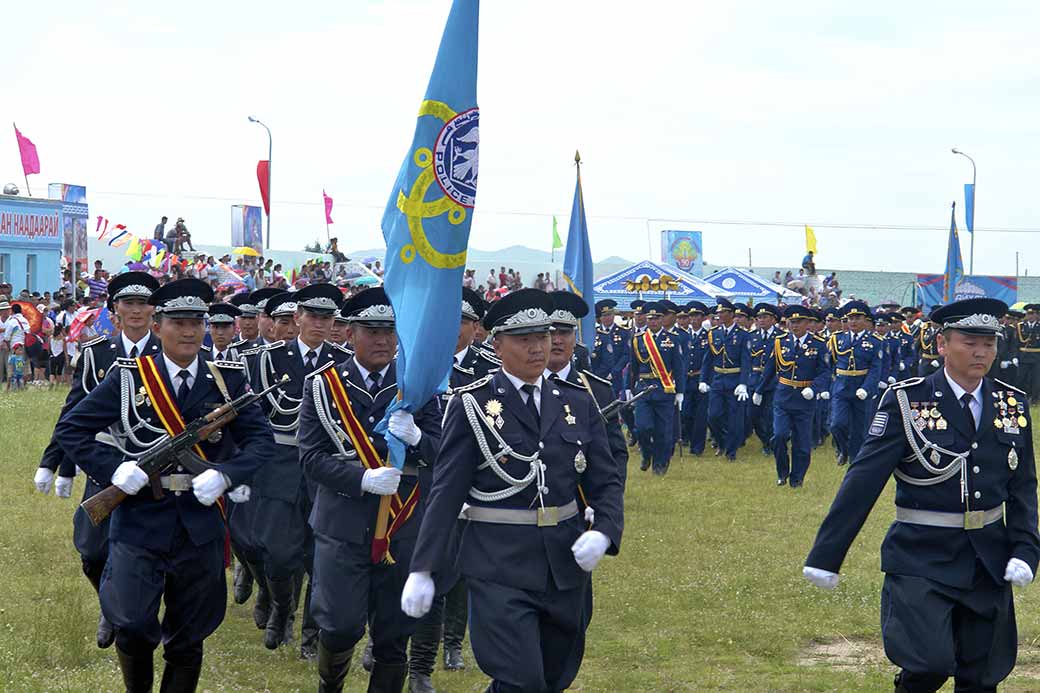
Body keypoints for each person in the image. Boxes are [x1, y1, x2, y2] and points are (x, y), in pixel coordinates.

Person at [804, 298, 1039, 692]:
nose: (981, 352)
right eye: (969, 342)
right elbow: (863, 480)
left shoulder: (1010, 404)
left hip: (988, 557)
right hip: (921, 556)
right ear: (942, 345)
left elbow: (1023, 485)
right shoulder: (907, 401)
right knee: (928, 663)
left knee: (982, 674)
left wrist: (1026, 548)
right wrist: (826, 556)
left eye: (989, 343)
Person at [54, 278, 276, 692]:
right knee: (133, 625)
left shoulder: (225, 380)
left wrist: (227, 474)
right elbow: (72, 428)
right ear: (157, 327)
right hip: (140, 520)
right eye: (178, 322)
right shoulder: (129, 379)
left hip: (199, 523)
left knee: (189, 637)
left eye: (197, 322)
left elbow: (261, 441)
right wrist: (115, 468)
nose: (190, 331)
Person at [401, 289, 624, 693]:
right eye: (524, 339)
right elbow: (447, 492)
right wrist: (423, 568)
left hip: (564, 563)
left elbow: (604, 478)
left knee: (553, 677)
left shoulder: (577, 401)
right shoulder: (472, 404)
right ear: (497, 344)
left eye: (543, 336)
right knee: (522, 679)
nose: (539, 348)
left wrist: (605, 529)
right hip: (498, 564)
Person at [298, 287, 441, 692]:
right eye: (371, 330)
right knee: (340, 627)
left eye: (389, 331)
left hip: (403, 523)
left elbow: (443, 449)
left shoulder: (418, 384)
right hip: (343, 522)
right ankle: (331, 684)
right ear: (349, 334)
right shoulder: (323, 386)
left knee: (394, 636)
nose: (381, 339)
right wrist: (360, 478)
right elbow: (310, 457)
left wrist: (417, 439)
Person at [34, 271, 163, 650]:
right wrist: (54, 462)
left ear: (154, 311)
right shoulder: (97, 353)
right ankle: (110, 605)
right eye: (128, 304)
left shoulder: (167, 350)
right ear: (114, 311)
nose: (136, 311)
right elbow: (74, 411)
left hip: (157, 462)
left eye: (143, 304)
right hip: (106, 461)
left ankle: (133, 611)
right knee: (92, 550)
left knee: (148, 549)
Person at [754, 305, 829, 487]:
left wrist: (814, 388)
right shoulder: (780, 342)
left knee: (802, 444)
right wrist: (759, 390)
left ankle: (797, 478)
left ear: (808, 323)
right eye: (791, 322)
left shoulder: (818, 344)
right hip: (783, 396)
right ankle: (782, 472)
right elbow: (770, 368)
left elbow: (825, 372)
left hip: (805, 399)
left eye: (799, 322)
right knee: (779, 436)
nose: (795, 326)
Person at [629, 301, 684, 474]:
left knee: (663, 431)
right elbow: (633, 367)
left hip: (665, 390)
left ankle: (661, 463)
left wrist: (680, 392)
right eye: (650, 318)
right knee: (642, 427)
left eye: (657, 318)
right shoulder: (638, 340)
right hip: (644, 390)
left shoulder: (673, 339)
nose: (653, 321)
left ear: (663, 319)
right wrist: (629, 388)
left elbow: (679, 367)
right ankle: (647, 453)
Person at [827, 300, 885, 465]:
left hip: (861, 389)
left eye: (857, 317)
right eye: (850, 318)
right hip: (841, 388)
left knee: (859, 430)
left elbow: (875, 369)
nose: (853, 321)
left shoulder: (875, 341)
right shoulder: (837, 339)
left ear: (865, 320)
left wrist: (866, 388)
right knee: (837, 424)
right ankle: (843, 450)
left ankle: (855, 461)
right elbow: (829, 364)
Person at [699, 298, 751, 461]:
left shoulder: (742, 335)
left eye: (722, 312)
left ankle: (731, 450)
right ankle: (722, 442)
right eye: (718, 313)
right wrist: (703, 379)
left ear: (730, 314)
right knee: (713, 416)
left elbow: (746, 361)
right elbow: (707, 359)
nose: (719, 315)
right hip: (717, 379)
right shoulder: (713, 333)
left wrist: (743, 383)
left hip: (734, 380)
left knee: (734, 418)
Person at [680, 301, 711, 456]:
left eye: (696, 316)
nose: (693, 319)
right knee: (686, 413)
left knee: (700, 415)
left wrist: (706, 379)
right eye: (691, 316)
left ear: (702, 317)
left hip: (701, 379)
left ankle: (697, 447)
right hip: (686, 379)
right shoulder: (683, 336)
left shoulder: (709, 336)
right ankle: (688, 438)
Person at [1016, 304, 1040, 400]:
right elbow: (1016, 343)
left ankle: (1034, 399)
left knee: (1036, 379)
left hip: (1037, 356)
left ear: (1036, 315)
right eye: (1028, 313)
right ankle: (1020, 398)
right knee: (1021, 379)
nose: (1030, 316)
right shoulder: (1020, 326)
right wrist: (1015, 356)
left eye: (1032, 313)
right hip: (1023, 356)